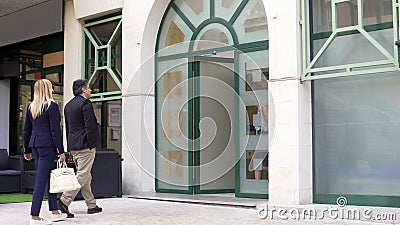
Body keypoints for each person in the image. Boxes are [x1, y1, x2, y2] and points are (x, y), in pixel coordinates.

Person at [23, 79, 67, 225]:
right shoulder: (52, 106)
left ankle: (54, 211)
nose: (53, 89)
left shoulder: (31, 107)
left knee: (48, 178)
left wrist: (27, 149)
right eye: (51, 87)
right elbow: (55, 130)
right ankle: (34, 216)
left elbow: (26, 130)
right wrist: (61, 151)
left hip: (35, 145)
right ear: (48, 89)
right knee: (41, 181)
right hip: (47, 146)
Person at [58, 79, 102, 217]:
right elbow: (90, 126)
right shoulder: (85, 103)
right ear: (83, 89)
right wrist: (93, 145)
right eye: (89, 88)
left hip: (74, 146)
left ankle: (91, 205)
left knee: (86, 176)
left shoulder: (68, 105)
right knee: (82, 175)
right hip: (85, 146)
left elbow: (68, 128)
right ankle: (64, 201)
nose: (90, 90)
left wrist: (69, 146)